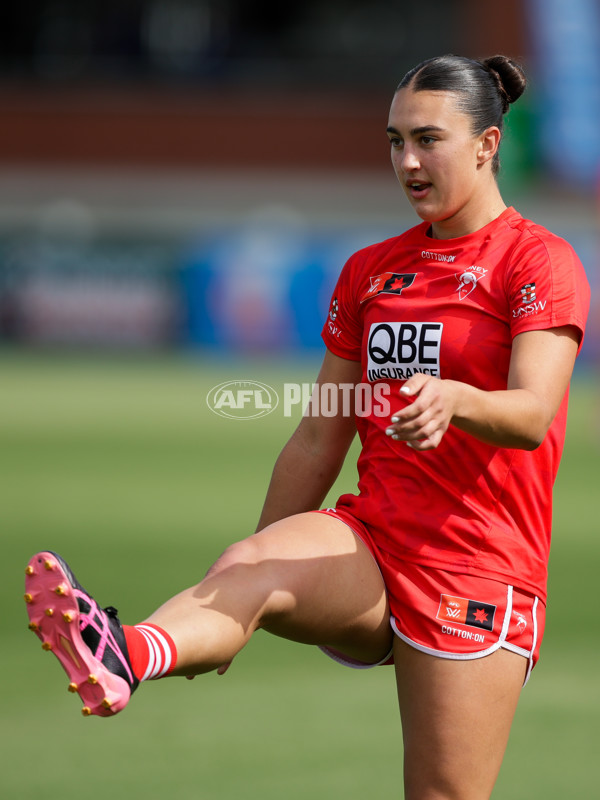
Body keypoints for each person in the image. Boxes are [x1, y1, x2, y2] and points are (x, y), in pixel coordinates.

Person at [24, 54, 590, 799]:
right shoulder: (370, 271)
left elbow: (533, 414)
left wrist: (456, 399)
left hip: (479, 565)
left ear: (486, 145)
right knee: (250, 566)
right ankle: (128, 651)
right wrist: (239, 594)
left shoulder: (538, 261)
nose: (408, 161)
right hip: (373, 540)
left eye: (428, 140)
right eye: (394, 141)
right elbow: (323, 431)